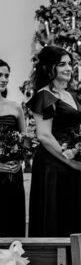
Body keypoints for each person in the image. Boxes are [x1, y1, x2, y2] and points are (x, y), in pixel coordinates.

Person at [25, 46, 81, 265]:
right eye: (63, 64)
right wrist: (70, 160)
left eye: (70, 63)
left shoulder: (70, 94)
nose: (68, 68)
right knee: (54, 219)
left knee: (72, 221)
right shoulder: (43, 96)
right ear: (50, 68)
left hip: (70, 168)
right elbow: (44, 135)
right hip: (52, 168)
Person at [0, 59, 27, 237]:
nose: (4, 79)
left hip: (12, 175)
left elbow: (25, 141)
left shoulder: (15, 107)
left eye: (7, 76)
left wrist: (19, 160)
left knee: (11, 223)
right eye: (0, 75)